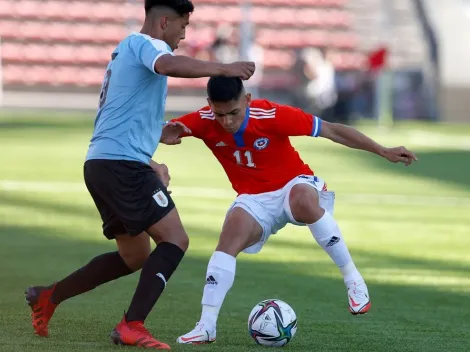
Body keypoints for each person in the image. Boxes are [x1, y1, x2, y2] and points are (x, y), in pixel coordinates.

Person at [24, 0, 255, 349]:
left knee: (135, 257)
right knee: (176, 240)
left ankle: (49, 296)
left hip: (104, 163)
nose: (184, 34)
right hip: (121, 166)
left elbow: (117, 114)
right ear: (164, 22)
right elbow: (168, 64)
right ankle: (132, 324)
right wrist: (224, 68)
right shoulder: (149, 45)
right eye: (183, 25)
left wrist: (155, 133)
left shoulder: (126, 52)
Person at [159, 76, 418, 344]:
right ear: (209, 105)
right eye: (220, 114)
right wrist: (160, 134)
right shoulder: (202, 119)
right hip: (254, 199)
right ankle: (206, 326)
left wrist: (382, 150)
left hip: (293, 184)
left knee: (304, 201)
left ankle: (353, 279)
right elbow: (147, 133)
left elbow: (332, 130)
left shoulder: (271, 114)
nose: (227, 121)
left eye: (234, 112)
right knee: (229, 237)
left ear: (247, 100)